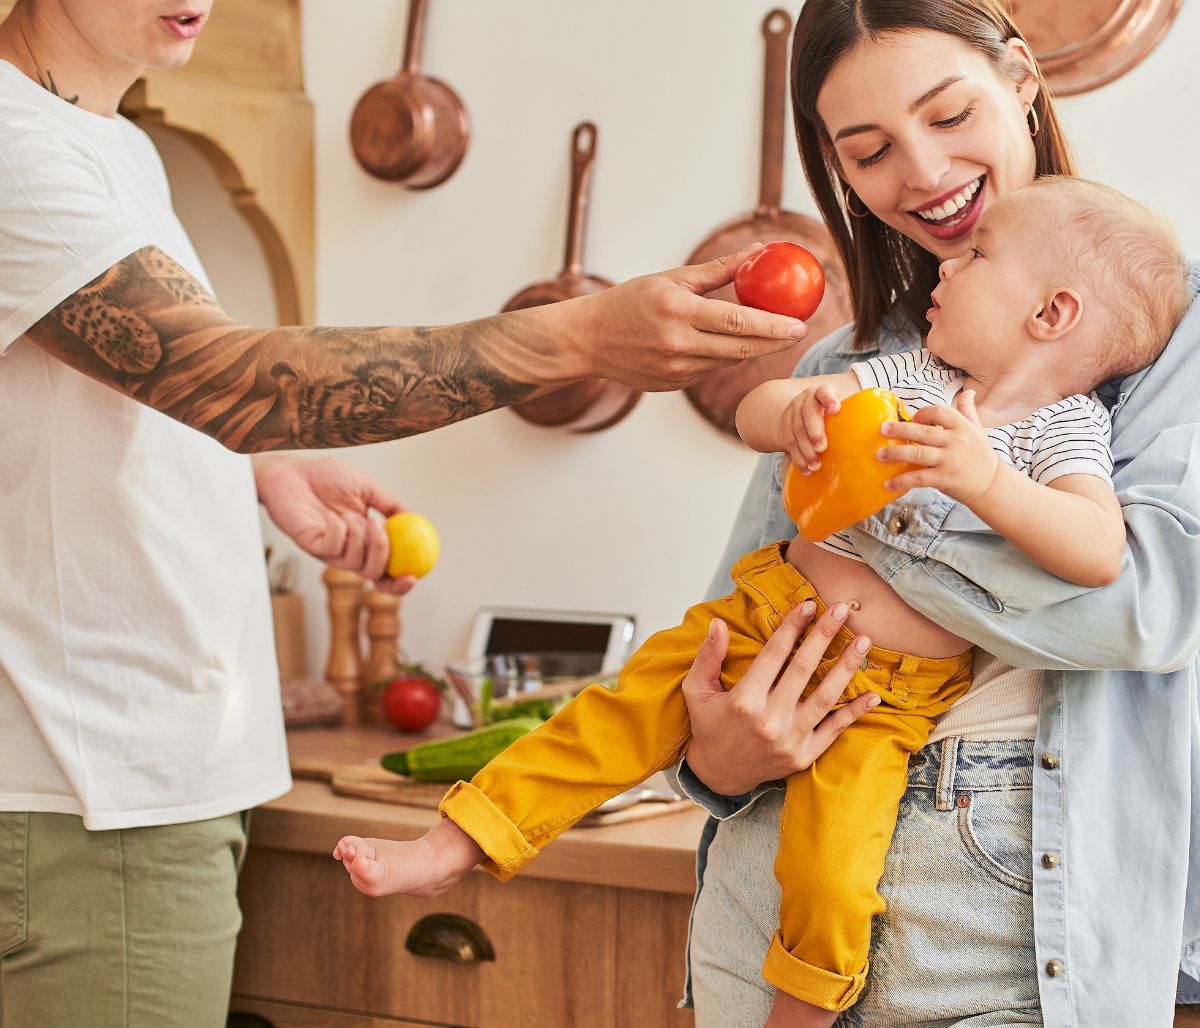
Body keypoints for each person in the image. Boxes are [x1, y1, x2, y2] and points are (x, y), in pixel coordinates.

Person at [0, 1, 813, 1025]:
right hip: (92, 791)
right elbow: (220, 374)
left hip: (139, 779)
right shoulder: (13, 143)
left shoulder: (109, 146)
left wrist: (262, 467)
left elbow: (137, 392)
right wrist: (575, 338)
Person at [331, 176, 1189, 1026]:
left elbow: (1098, 550)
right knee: (606, 718)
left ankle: (802, 1009)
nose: (944, 269)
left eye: (976, 255)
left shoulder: (1064, 427)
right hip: (761, 617)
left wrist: (986, 481)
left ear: (1051, 315)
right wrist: (796, 410)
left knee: (834, 865)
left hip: (883, 697)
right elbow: (754, 413)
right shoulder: (913, 371)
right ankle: (453, 845)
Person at [675, 2, 1200, 1026]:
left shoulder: (1172, 331)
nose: (919, 173)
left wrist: (904, 490)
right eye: (869, 152)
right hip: (774, 871)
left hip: (1006, 901)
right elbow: (743, 609)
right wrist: (715, 762)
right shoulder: (845, 362)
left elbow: (1148, 611)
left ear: (1022, 77)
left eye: (950, 113)